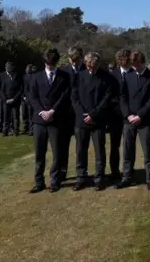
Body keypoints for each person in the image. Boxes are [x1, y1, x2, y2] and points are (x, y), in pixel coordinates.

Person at [115, 50, 150, 191]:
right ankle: (126, 177)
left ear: (142, 62)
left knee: (148, 151)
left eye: (137, 65)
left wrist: (140, 115)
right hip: (128, 120)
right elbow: (122, 97)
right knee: (127, 150)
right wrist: (128, 115)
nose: (134, 68)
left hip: (144, 120)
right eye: (133, 65)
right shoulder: (127, 76)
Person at [71, 52, 115, 191]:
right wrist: (83, 114)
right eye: (89, 67)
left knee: (99, 151)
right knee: (80, 151)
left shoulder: (106, 77)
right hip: (81, 120)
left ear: (98, 64)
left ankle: (99, 178)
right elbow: (74, 97)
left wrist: (93, 114)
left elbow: (107, 99)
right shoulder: (79, 76)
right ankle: (81, 178)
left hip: (98, 120)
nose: (92, 70)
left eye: (94, 67)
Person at [28, 48, 70, 193]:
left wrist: (53, 111)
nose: (50, 67)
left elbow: (65, 96)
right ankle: (39, 182)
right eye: (47, 64)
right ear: (44, 62)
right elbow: (32, 97)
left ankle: (55, 181)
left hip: (56, 119)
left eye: (52, 64)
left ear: (56, 62)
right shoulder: (36, 77)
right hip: (39, 120)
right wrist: (41, 111)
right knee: (40, 153)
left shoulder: (64, 77)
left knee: (57, 152)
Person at [58, 46, 86, 181]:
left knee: (81, 146)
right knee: (63, 146)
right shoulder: (62, 71)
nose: (74, 62)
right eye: (71, 59)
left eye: (77, 59)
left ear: (81, 57)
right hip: (65, 115)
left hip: (81, 114)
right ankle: (62, 171)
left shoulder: (88, 70)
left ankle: (81, 172)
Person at [108, 49, 131, 180]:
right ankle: (114, 171)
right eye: (121, 59)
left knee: (129, 144)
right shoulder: (112, 75)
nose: (124, 61)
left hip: (130, 115)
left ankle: (128, 170)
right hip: (115, 115)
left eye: (126, 58)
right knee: (114, 145)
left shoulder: (134, 73)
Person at [0, 62, 24, 136]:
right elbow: (2, 90)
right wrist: (5, 99)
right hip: (6, 101)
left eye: (9, 68)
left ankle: (16, 131)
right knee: (6, 117)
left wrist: (14, 99)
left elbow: (21, 89)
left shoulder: (18, 77)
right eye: (7, 68)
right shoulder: (5, 78)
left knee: (15, 117)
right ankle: (5, 131)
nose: (8, 70)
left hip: (15, 101)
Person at [21, 64, 36, 136]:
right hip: (24, 98)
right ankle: (25, 128)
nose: (26, 70)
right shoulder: (24, 77)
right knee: (24, 114)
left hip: (30, 98)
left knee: (30, 115)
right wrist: (23, 96)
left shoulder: (34, 77)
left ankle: (31, 130)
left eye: (28, 69)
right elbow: (22, 88)